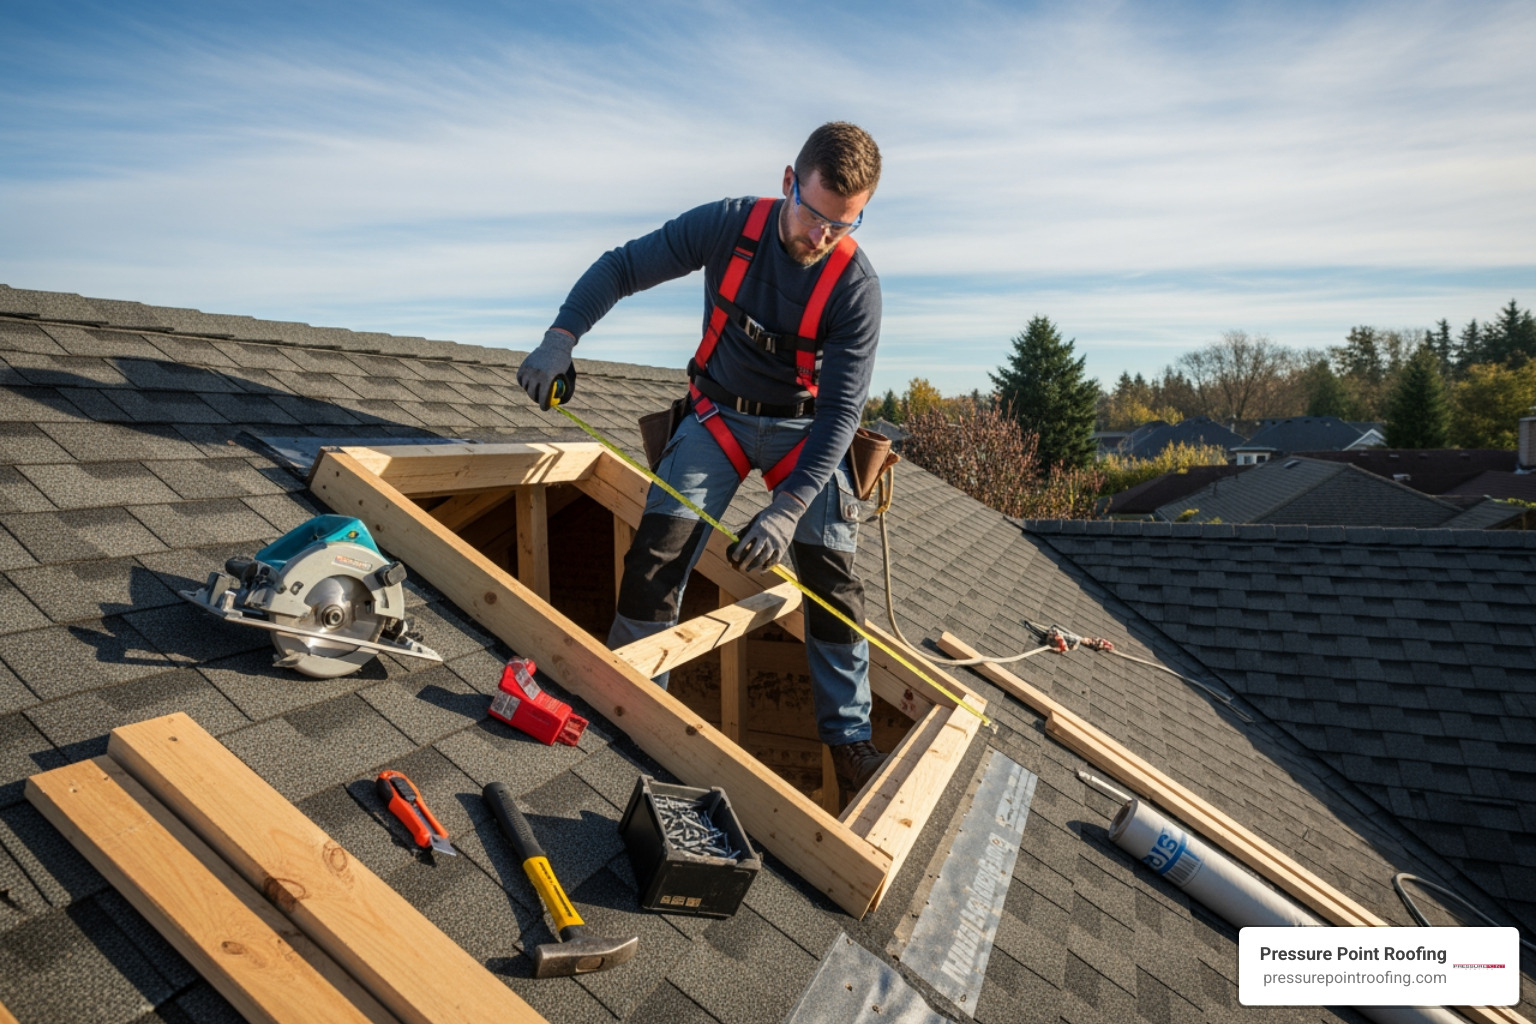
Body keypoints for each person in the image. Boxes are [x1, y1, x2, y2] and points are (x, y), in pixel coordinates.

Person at [518, 122, 886, 800]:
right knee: (659, 548)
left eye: (844, 222)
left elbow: (840, 418)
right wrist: (559, 338)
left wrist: (788, 507)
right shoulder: (726, 227)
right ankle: (630, 699)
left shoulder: (854, 286)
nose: (821, 236)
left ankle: (851, 743)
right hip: (718, 416)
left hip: (805, 434)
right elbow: (623, 267)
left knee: (831, 576)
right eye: (813, 215)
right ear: (787, 183)